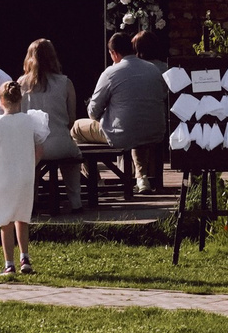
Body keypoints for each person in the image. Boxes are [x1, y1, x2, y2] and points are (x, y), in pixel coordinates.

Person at [0, 77, 49, 276]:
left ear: (0, 101)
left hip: (4, 177)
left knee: (4, 220)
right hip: (25, 177)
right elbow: (40, 149)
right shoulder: (31, 121)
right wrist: (30, 165)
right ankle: (25, 258)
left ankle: (9, 263)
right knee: (22, 217)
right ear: (21, 99)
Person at [88, 29, 171, 196]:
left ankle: (95, 181)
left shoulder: (111, 72)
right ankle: (141, 178)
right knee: (135, 125)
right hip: (156, 129)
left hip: (125, 132)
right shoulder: (154, 69)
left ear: (114, 53)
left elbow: (93, 111)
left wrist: (106, 113)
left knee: (76, 128)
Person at [19, 38, 78, 214]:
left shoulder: (21, 83)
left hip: (33, 145)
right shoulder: (65, 82)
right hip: (60, 142)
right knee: (73, 160)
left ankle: (32, 200)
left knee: (30, 162)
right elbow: (71, 119)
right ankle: (76, 201)